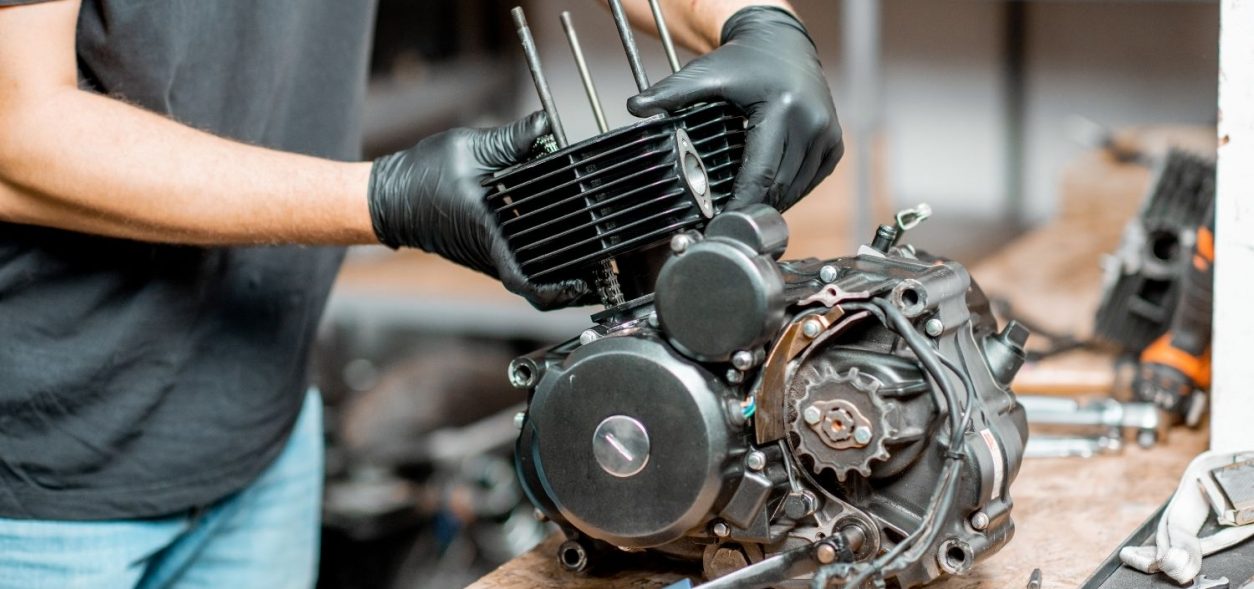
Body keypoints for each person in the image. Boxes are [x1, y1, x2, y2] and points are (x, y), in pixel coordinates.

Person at [0, 0, 841, 587]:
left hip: (260, 424)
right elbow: (16, 127)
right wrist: (382, 199)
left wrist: (758, 18)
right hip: (44, 481)